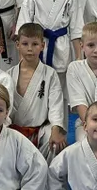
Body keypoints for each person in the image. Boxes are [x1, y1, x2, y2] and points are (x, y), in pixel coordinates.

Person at [15, 0, 83, 88]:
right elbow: (23, 27)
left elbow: (76, 28)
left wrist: (79, 57)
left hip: (61, 47)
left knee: (60, 88)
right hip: (37, 46)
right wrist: (22, 57)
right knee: (35, 87)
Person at [9, 23, 67, 160]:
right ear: (17, 45)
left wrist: (56, 129)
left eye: (35, 44)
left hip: (40, 130)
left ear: (42, 46)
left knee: (56, 143)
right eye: (25, 44)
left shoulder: (50, 74)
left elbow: (56, 106)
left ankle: (49, 174)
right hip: (14, 130)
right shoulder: (8, 75)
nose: (30, 49)